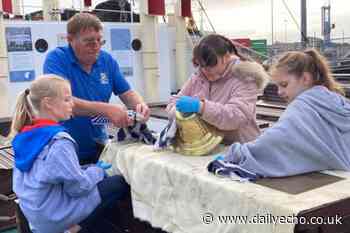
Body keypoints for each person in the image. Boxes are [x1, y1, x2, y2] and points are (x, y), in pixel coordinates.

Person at [11, 75, 129, 233]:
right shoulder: (59, 142)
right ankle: (74, 228)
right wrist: (98, 171)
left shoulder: (25, 136)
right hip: (55, 218)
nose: (72, 104)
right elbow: (78, 188)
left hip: (37, 217)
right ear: (48, 104)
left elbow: (52, 174)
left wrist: (90, 169)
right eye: (67, 100)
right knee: (119, 183)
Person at [208, 49, 350, 179]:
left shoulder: (302, 106)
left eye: (284, 85)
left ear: (305, 79)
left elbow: (276, 140)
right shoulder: (337, 100)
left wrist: (237, 154)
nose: (279, 92)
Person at [43, 12, 149, 164]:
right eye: (89, 42)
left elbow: (127, 93)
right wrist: (107, 109)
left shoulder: (107, 61)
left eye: (100, 40)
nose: (96, 46)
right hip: (62, 148)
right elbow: (62, 102)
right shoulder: (56, 60)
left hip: (98, 145)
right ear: (70, 40)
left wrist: (140, 106)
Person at [166, 34, 268, 144]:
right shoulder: (198, 77)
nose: (205, 70)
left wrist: (202, 107)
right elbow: (174, 102)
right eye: (202, 65)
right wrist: (176, 112)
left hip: (240, 149)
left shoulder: (245, 78)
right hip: (206, 148)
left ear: (226, 57)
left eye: (211, 66)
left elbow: (237, 116)